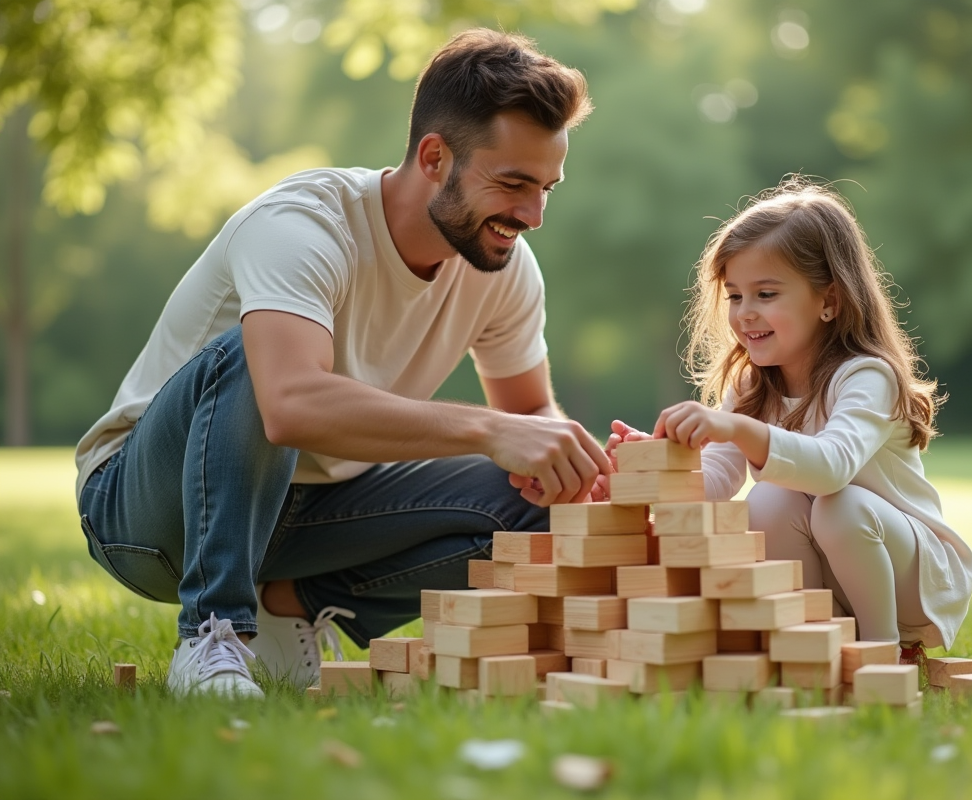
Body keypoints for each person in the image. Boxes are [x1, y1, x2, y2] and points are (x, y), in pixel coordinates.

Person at [74, 29, 611, 698]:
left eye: (547, 187)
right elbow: (290, 403)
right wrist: (489, 429)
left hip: (308, 512)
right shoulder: (302, 226)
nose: (533, 214)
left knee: (537, 508)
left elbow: (529, 414)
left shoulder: (502, 266)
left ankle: (292, 605)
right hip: (149, 513)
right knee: (256, 355)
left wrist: (584, 471)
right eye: (513, 184)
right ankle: (214, 635)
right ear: (435, 157)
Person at [610, 177, 972, 657]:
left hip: (911, 578)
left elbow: (830, 467)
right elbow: (715, 480)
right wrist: (656, 466)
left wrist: (739, 428)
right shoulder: (752, 385)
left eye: (766, 294)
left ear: (829, 301)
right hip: (836, 572)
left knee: (839, 505)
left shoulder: (866, 376)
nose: (745, 313)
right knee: (768, 500)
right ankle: (814, 643)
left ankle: (883, 655)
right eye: (735, 296)